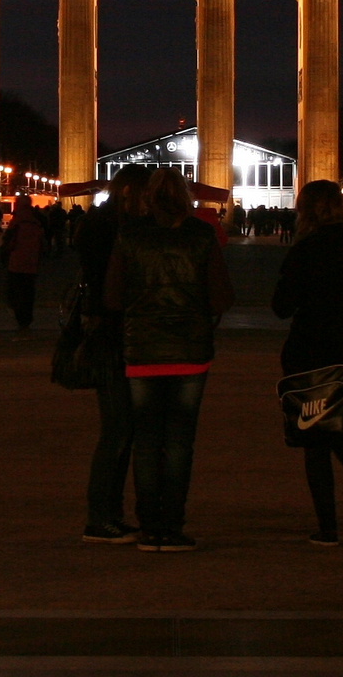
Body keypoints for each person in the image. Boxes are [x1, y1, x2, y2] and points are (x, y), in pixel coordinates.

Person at [104, 168, 234, 553]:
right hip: (190, 353)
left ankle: (149, 528)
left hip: (142, 352)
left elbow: (112, 298)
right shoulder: (200, 235)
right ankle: (172, 527)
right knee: (179, 443)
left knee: (146, 442)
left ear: (147, 197)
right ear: (186, 196)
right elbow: (222, 297)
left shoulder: (130, 235)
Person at [271, 180, 343, 546]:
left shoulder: (306, 250)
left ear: (305, 209)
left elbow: (281, 306)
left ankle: (328, 527)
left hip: (309, 352)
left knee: (315, 440)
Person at [74, 165, 150, 543]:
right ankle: (101, 517)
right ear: (129, 194)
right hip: (114, 336)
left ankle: (110, 514)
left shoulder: (98, 224)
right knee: (118, 430)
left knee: (121, 430)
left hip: (108, 334)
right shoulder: (117, 231)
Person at [1, 194, 45, 331]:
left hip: (16, 263)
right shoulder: (36, 222)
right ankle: (27, 319)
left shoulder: (16, 222)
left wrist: (4, 258)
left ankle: (19, 317)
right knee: (28, 293)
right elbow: (42, 244)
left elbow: (7, 242)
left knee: (15, 291)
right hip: (31, 264)